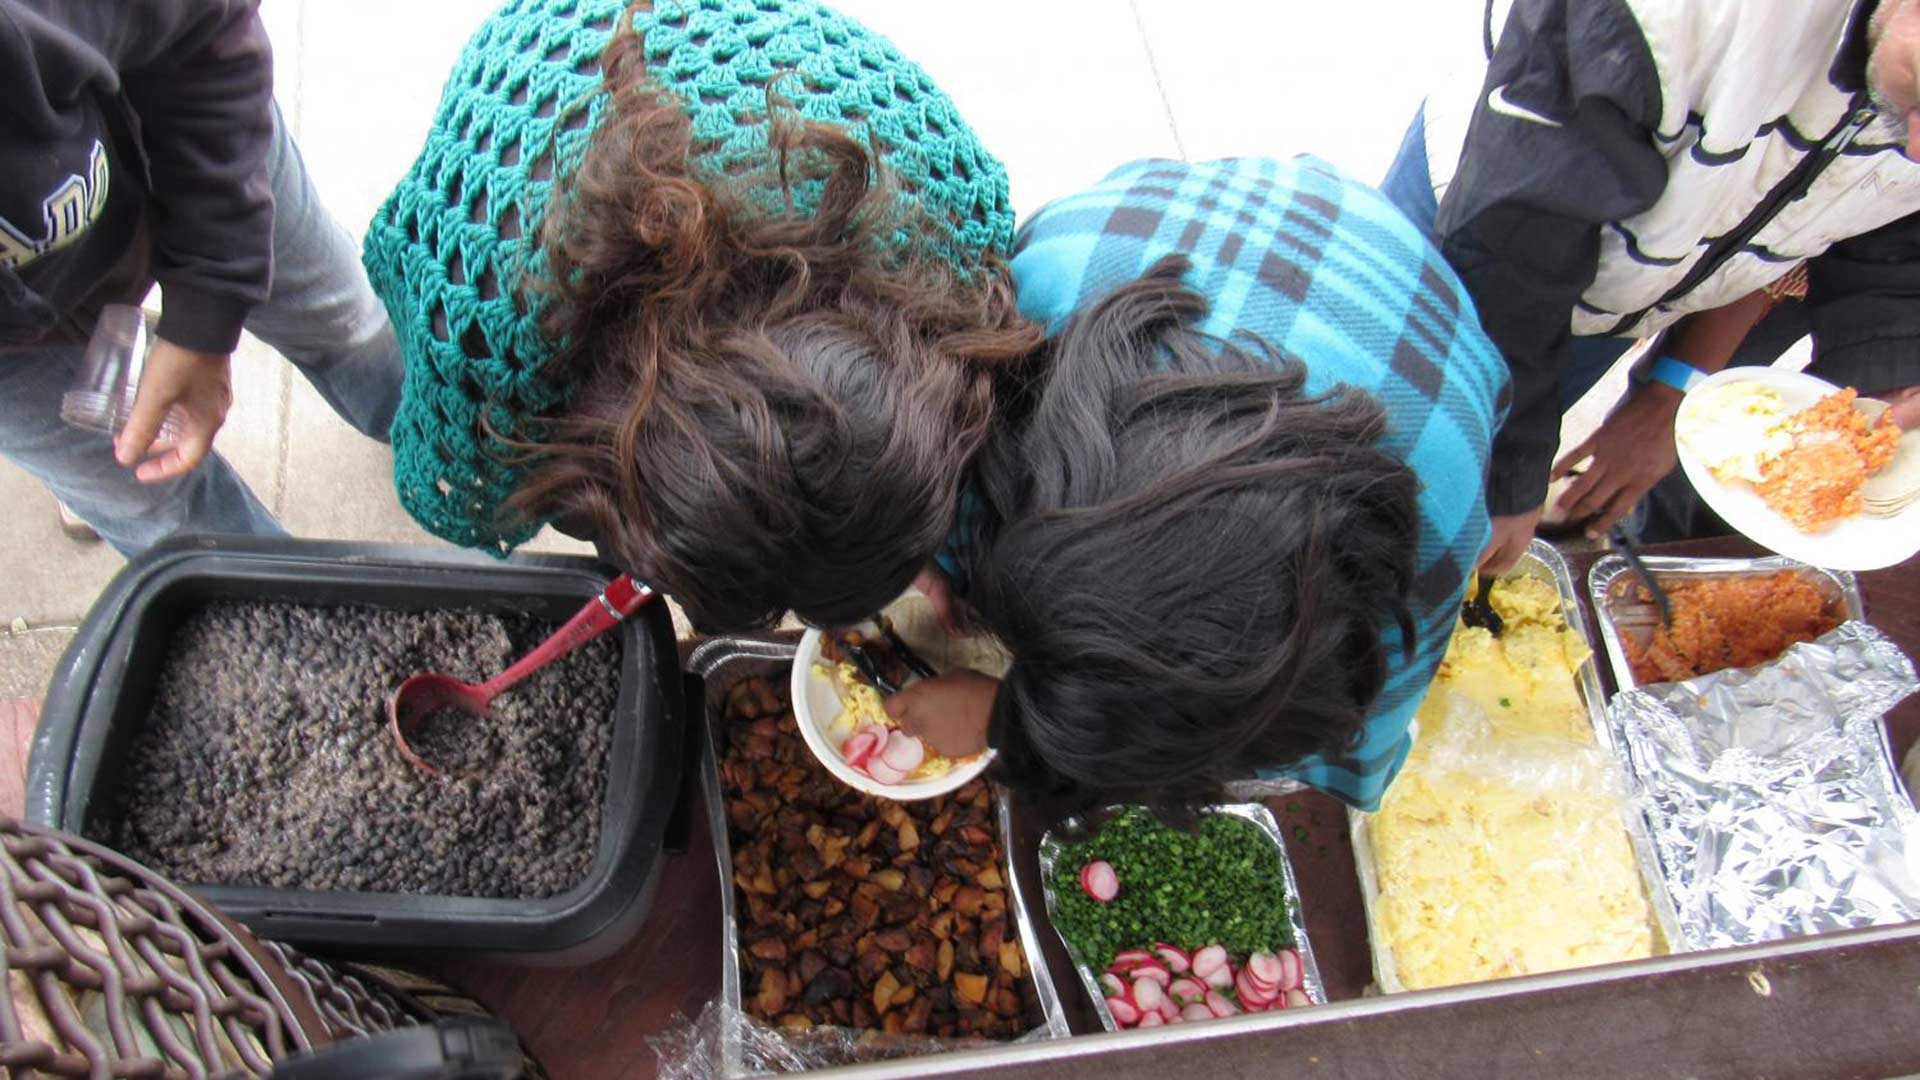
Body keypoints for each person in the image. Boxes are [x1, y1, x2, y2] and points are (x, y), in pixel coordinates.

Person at [363, 0, 1037, 632]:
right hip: (540, 81)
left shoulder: (928, 199)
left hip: (721, 77)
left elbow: (840, 471)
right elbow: (479, 483)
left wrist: (886, 541)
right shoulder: (485, 329)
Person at [884, 156, 1509, 808]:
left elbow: (1344, 746)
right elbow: (947, 445)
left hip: (1418, 334)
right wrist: (926, 541)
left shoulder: (1437, 539)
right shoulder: (1036, 302)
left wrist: (1007, 721)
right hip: (1151, 229)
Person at [1380, 0, 1920, 568]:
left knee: (1446, 537)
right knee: (1355, 484)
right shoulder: (1680, 13)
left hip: (1618, 292)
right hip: (1475, 239)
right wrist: (1509, 471)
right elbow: (1514, 244)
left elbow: (1799, 223)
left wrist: (1886, 381)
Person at [1, 0, 403, 554]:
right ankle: (281, 616)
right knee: (159, 511)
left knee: (345, 325)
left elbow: (205, 22)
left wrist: (208, 309)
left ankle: (436, 438)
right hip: (16, 356)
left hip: (201, 146)